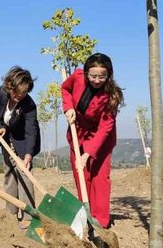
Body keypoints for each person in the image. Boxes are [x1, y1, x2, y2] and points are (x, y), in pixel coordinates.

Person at [61, 53, 123, 229]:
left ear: (108, 75)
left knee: (100, 178)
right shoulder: (78, 77)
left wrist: (88, 153)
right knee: (82, 176)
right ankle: (85, 216)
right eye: (93, 76)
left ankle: (100, 221)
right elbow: (65, 89)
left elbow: (106, 127)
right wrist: (68, 108)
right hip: (77, 133)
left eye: (102, 77)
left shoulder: (112, 96)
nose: (97, 80)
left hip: (100, 140)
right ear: (87, 72)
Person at [0, 66, 40, 229]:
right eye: (17, 92)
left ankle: (28, 215)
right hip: (6, 138)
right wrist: (1, 127)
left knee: (24, 174)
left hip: (23, 141)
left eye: (24, 92)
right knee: (9, 174)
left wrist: (28, 155)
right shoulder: (1, 92)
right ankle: (11, 212)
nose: (20, 96)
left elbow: (31, 131)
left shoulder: (29, 105)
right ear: (9, 87)